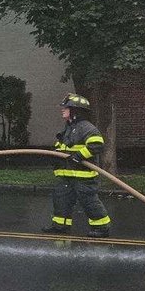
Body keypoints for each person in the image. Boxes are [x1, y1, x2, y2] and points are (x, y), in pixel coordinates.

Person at [41, 93, 111, 238]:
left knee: (89, 201)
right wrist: (54, 155)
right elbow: (63, 147)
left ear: (75, 110)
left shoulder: (86, 128)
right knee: (61, 199)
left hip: (83, 176)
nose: (62, 109)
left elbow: (96, 145)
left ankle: (101, 227)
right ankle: (60, 226)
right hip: (66, 175)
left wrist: (79, 156)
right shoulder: (68, 128)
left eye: (66, 107)